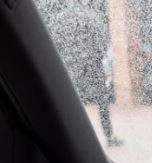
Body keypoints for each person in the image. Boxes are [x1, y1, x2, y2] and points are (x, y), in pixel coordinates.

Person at [41, 0, 124, 147]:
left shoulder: (60, 18)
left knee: (70, 103)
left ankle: (72, 137)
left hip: (69, 68)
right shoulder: (90, 16)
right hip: (92, 67)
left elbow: (53, 43)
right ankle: (109, 136)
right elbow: (102, 41)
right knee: (102, 103)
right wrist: (96, 59)